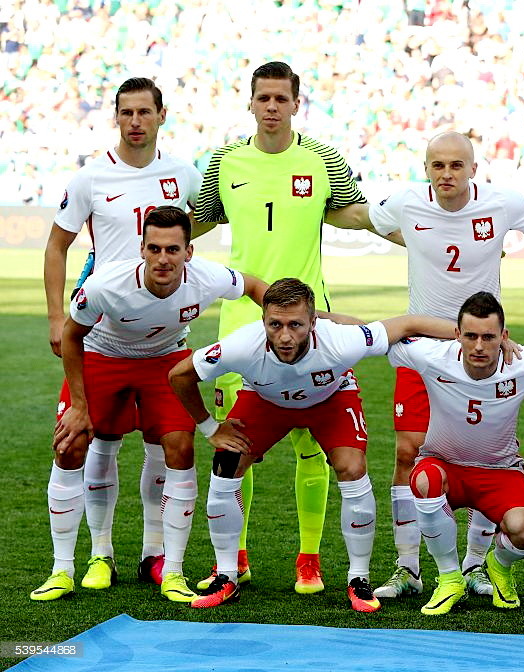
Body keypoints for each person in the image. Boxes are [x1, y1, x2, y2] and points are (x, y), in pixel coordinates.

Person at [194, 61, 377, 595]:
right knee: (235, 448)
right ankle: (238, 559)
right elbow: (196, 223)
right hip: (241, 326)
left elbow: (358, 214)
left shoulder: (322, 159)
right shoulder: (225, 162)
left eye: (281, 97)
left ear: (297, 103)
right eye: (263, 97)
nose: (271, 106)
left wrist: (430, 234)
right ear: (250, 102)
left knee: (311, 448)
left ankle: (309, 558)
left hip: (310, 326)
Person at [167, 278, 456, 611]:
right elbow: (179, 375)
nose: (285, 335)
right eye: (275, 324)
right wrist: (209, 427)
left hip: (330, 400)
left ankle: (358, 579)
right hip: (265, 401)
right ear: (263, 321)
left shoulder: (341, 341)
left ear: (314, 322)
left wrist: (470, 337)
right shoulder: (241, 345)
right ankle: (227, 575)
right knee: (225, 461)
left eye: (295, 325)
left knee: (352, 466)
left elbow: (410, 324)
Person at [31, 206, 266, 603]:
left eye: (173, 250)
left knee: (180, 447)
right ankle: (63, 569)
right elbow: (72, 336)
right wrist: (79, 405)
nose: (163, 259)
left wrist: (283, 322)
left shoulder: (208, 276)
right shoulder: (107, 284)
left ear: (189, 252)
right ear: (141, 248)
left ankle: (171, 570)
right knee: (70, 446)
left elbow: (257, 287)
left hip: (165, 361)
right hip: (102, 355)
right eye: (154, 248)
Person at [368, 131, 524, 600]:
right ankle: (409, 568)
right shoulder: (407, 203)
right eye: (438, 166)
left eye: (457, 165)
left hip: (485, 347)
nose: (447, 174)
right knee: (407, 452)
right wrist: (414, 241)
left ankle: (474, 566)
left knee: (480, 451)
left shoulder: (502, 202)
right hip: (423, 351)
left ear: (473, 169)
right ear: (427, 169)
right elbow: (368, 219)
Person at [42, 77, 201, 590]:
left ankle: (157, 556)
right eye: (126, 112)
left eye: (144, 112)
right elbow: (56, 246)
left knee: (171, 447)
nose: (136, 121)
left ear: (161, 115)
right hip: (102, 338)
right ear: (116, 117)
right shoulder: (91, 178)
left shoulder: (185, 175)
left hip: (166, 346)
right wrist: (53, 317)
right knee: (80, 443)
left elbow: (191, 242)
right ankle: (91, 557)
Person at [386, 291, 524, 615]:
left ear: (504, 337)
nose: (479, 346)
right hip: (446, 466)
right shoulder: (432, 355)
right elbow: (375, 337)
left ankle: (498, 565)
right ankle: (449, 578)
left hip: (500, 471)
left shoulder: (523, 361)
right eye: (471, 336)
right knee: (423, 479)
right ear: (457, 334)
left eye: (489, 337)